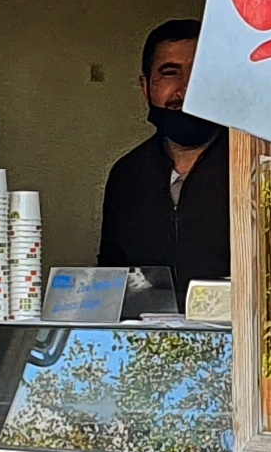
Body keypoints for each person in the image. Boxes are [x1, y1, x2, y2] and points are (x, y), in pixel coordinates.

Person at [96, 17, 231, 296]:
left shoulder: (256, 167)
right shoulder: (127, 176)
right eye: (170, 73)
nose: (186, 89)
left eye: (200, 73)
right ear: (145, 87)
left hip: (239, 323)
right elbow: (110, 280)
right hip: (147, 325)